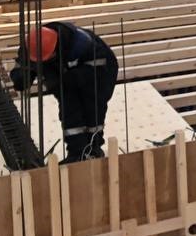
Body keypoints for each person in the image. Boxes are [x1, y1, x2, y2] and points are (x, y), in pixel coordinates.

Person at [10, 23, 119, 163]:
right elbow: (21, 66)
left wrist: (65, 80)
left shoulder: (80, 43)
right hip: (66, 72)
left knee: (92, 108)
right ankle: (77, 152)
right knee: (69, 107)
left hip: (100, 70)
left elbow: (96, 68)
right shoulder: (33, 44)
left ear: (55, 48)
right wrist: (21, 77)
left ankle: (93, 149)